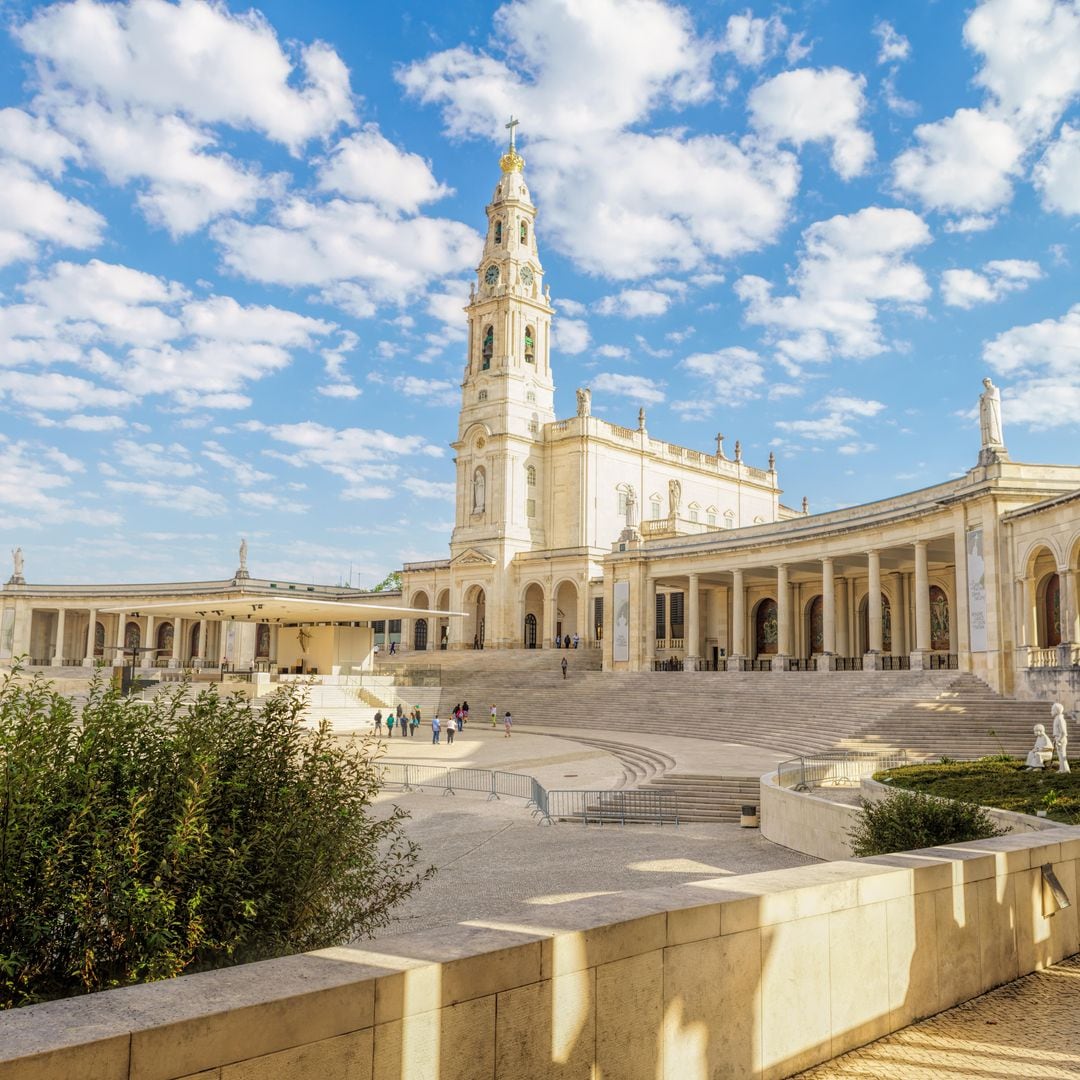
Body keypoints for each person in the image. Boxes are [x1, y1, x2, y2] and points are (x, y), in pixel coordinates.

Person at [1052, 703, 1070, 774]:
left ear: (1056, 710)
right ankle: (1062, 769)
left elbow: (1063, 732)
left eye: (1052, 710)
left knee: (1062, 755)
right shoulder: (1057, 718)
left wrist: (1059, 740)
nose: (1051, 711)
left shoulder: (1060, 719)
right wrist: (1055, 738)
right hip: (1058, 738)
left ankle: (1066, 770)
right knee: (1060, 755)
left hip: (1061, 740)